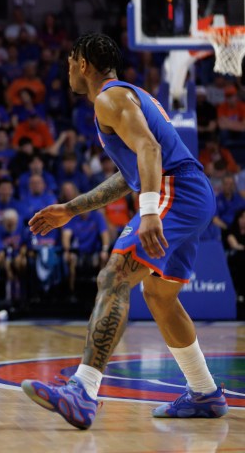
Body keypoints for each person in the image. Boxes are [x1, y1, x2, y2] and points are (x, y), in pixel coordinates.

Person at [22, 33, 228, 429]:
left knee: (114, 276)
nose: (67, 69)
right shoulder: (128, 96)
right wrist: (71, 208)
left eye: (69, 61)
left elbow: (149, 151)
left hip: (175, 190)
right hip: (191, 192)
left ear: (83, 63)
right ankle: (204, 391)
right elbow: (130, 172)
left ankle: (82, 391)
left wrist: (149, 211)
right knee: (159, 295)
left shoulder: (109, 98)